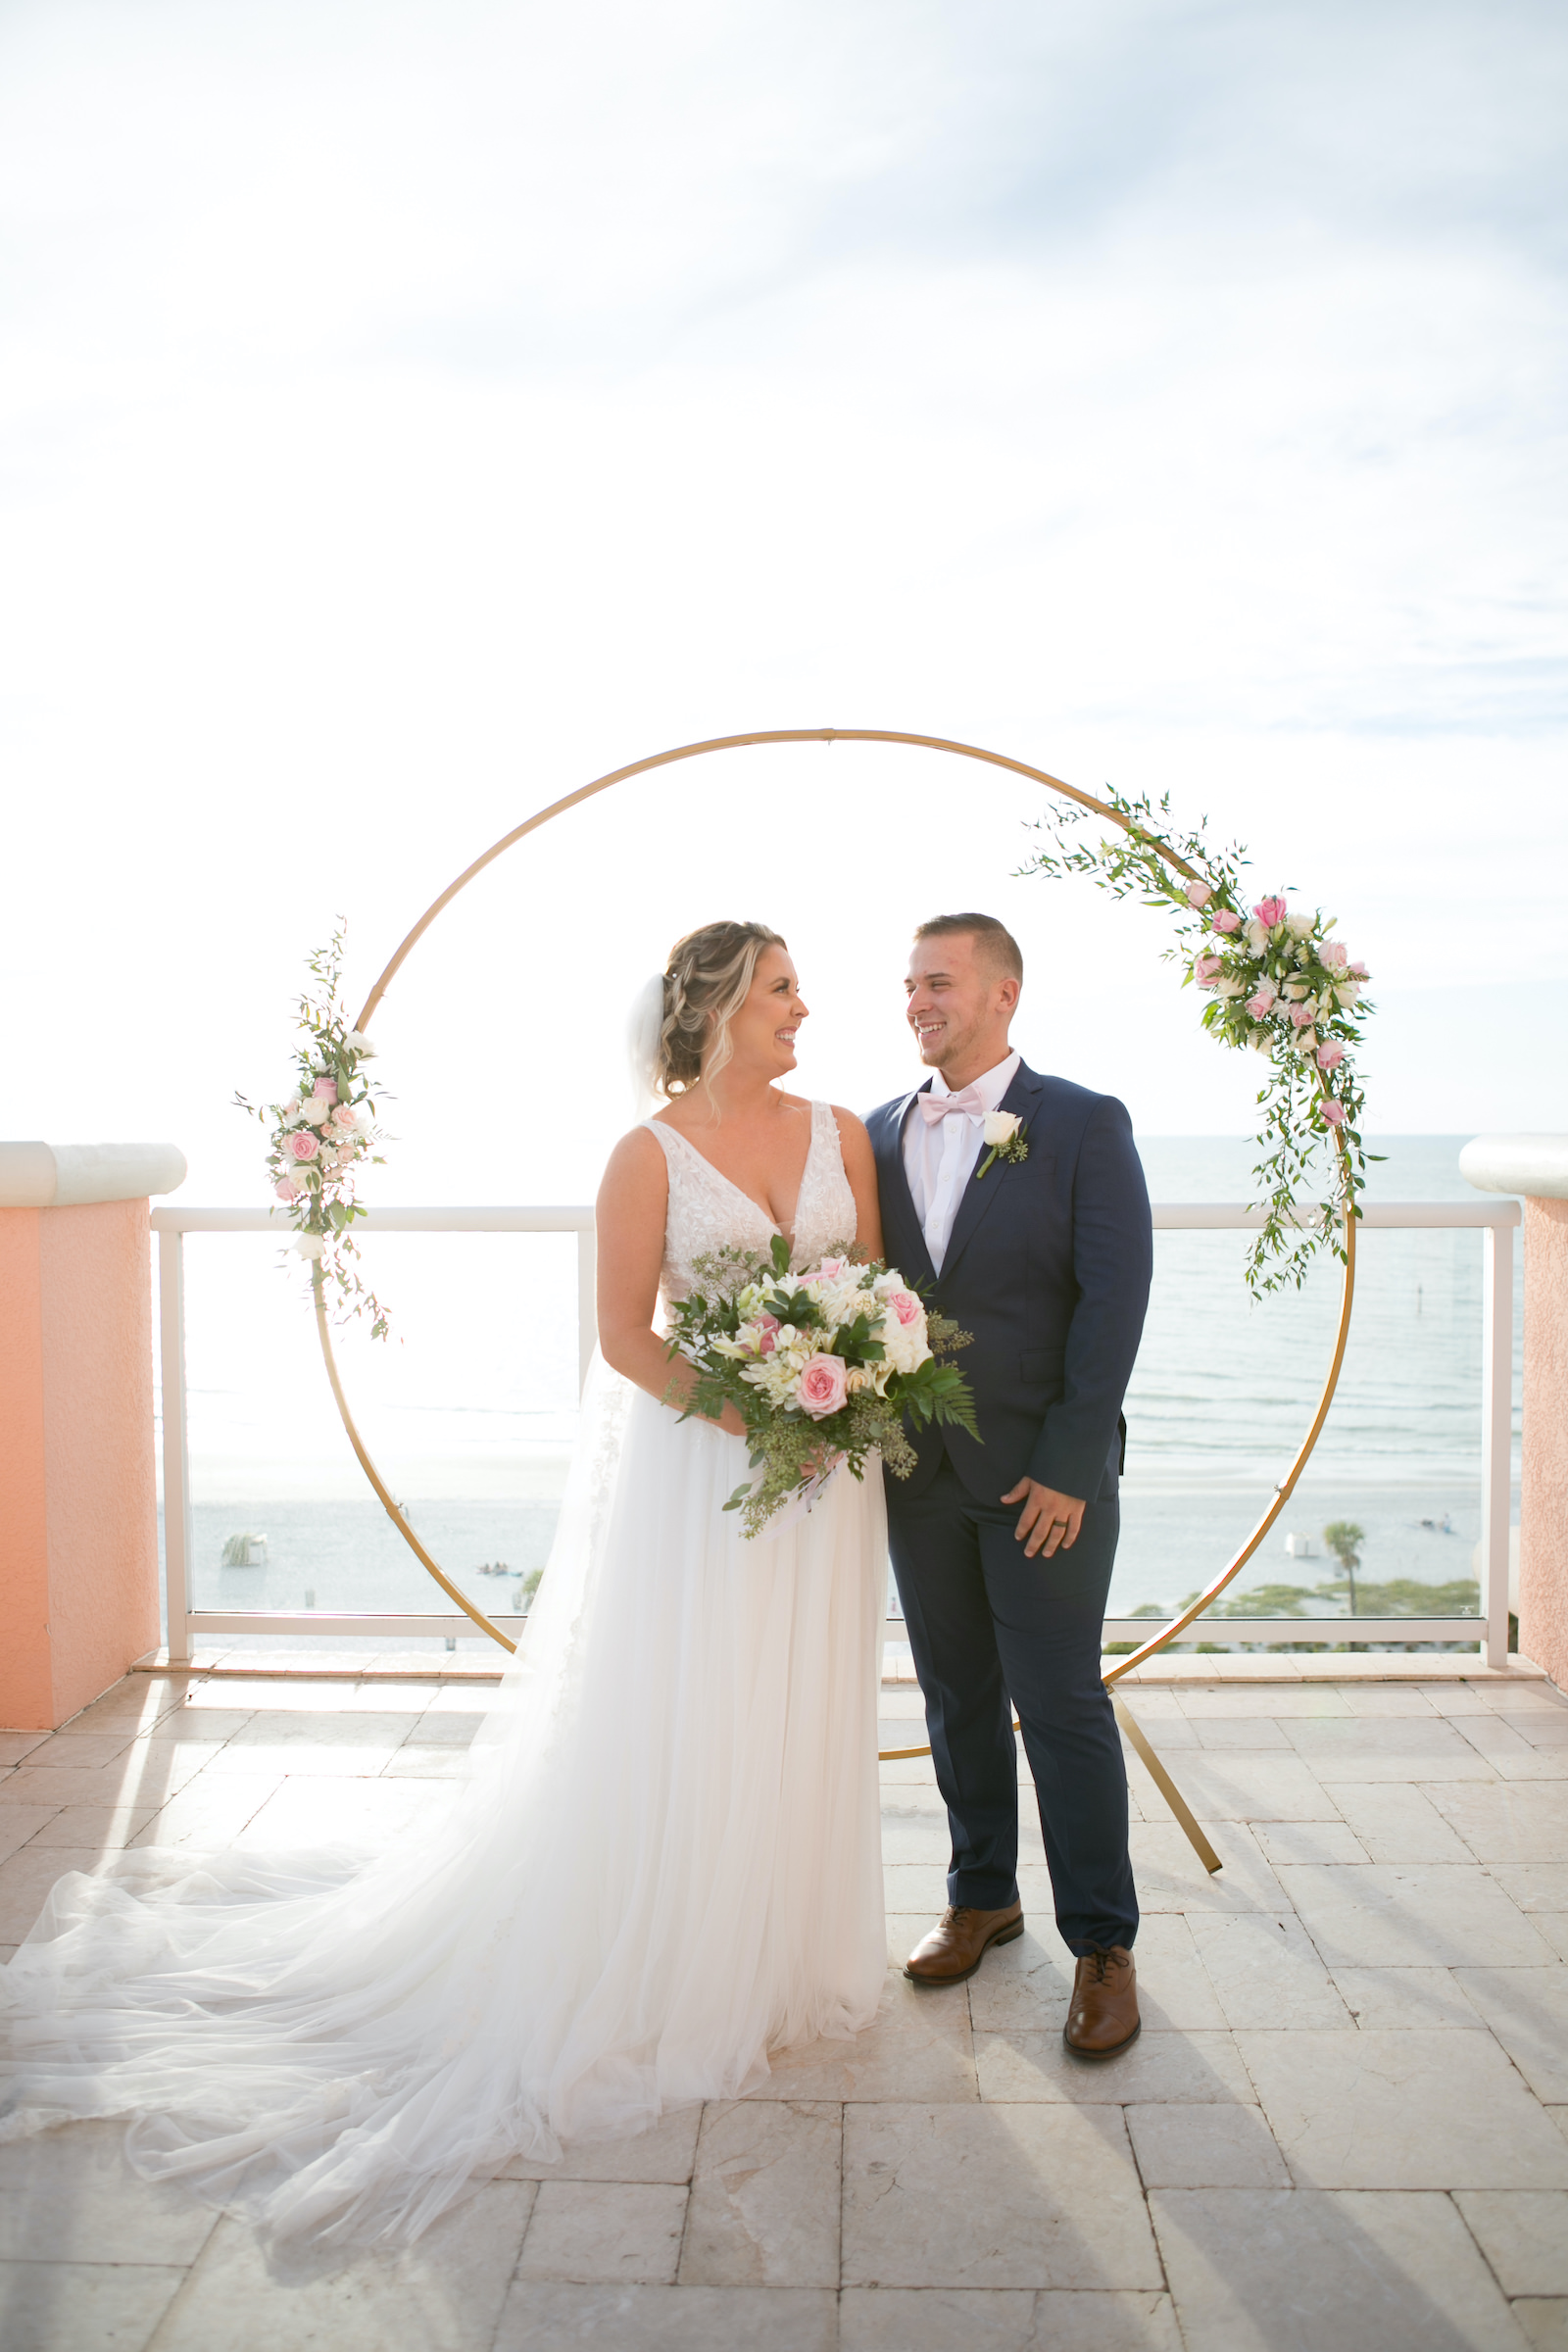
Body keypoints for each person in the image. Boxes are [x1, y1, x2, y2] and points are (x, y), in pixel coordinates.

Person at [0, 921, 890, 2254]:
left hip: (828, 1469)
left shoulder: (840, 1133)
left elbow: (865, 1287)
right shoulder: (644, 1156)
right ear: (713, 1007)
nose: (803, 1005)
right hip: (706, 1475)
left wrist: (842, 1389)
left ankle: (775, 1951)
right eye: (780, 987)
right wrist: (751, 1414)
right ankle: (675, 1952)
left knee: (798, 1697)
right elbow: (623, 1340)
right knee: (690, 1701)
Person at [865, 913, 1152, 2056]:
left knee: (1062, 1704)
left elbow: (1113, 1304)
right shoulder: (880, 1132)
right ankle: (981, 1895)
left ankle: (1104, 1946)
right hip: (920, 1471)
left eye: (937, 982)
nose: (917, 1001)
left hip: (1044, 1480)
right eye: (909, 985)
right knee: (956, 1697)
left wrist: (1070, 1469)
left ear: (1002, 994)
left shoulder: (1083, 1123)